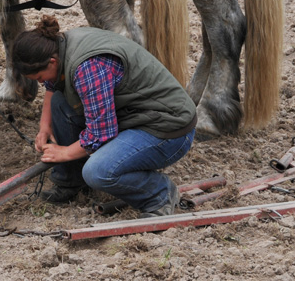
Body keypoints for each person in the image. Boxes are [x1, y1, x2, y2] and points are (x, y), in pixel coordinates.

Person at [11, 16, 197, 217]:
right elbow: (51, 87)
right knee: (59, 101)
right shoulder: (59, 44)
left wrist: (64, 153)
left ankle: (159, 194)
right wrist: (44, 126)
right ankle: (71, 183)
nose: (40, 83)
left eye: (39, 78)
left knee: (98, 171)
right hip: (135, 115)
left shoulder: (87, 68)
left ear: (52, 62)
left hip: (168, 129)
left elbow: (100, 134)